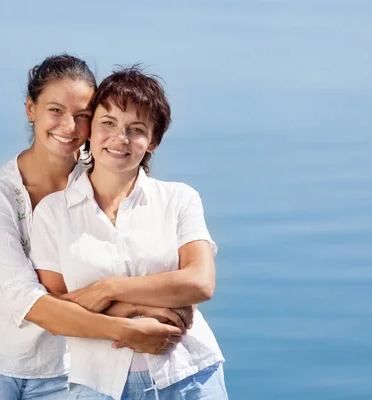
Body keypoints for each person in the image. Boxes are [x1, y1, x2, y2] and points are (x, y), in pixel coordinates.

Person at [0, 55, 187, 400]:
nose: (69, 126)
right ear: (31, 109)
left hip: (65, 369)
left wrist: (135, 299)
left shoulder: (104, 174)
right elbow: (25, 297)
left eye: (83, 115)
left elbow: (141, 254)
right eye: (55, 110)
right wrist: (129, 323)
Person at [30, 67, 228, 400]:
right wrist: (139, 312)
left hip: (188, 376)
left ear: (152, 141)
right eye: (108, 123)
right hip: (95, 385)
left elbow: (199, 283)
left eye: (136, 129)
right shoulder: (52, 213)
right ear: (90, 129)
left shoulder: (180, 199)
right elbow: (55, 308)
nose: (120, 139)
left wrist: (109, 290)